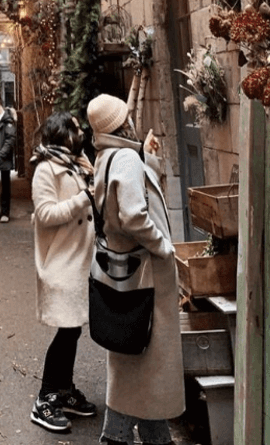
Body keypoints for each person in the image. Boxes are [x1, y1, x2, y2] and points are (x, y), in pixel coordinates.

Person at [86, 94, 183, 445]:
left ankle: (156, 437)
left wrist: (150, 160)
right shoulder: (125, 157)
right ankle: (118, 436)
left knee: (136, 364)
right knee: (145, 361)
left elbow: (127, 198)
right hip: (146, 276)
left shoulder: (108, 156)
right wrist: (164, 246)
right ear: (121, 123)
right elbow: (132, 214)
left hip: (124, 275)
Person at [28, 111, 99, 433]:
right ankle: (46, 398)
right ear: (61, 134)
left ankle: (65, 391)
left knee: (73, 329)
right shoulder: (46, 169)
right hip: (62, 261)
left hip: (80, 258)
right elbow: (45, 214)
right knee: (67, 330)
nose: (80, 131)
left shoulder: (76, 162)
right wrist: (83, 199)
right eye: (73, 128)